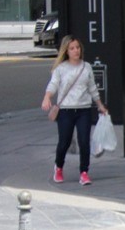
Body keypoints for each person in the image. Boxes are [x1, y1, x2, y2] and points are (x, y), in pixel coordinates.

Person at [42, 35, 108, 186]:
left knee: (84, 142)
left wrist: (99, 105)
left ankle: (84, 172)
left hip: (83, 109)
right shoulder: (61, 69)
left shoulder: (86, 67)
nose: (76, 51)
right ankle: (58, 167)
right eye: (72, 48)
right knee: (64, 142)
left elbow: (92, 88)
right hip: (65, 110)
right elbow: (53, 85)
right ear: (66, 51)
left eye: (77, 47)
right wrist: (47, 97)